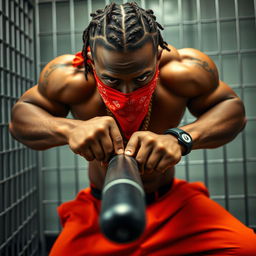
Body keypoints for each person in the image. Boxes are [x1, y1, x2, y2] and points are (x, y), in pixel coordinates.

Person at [9, 2, 256, 255]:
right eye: (112, 79)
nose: (127, 92)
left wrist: (181, 138)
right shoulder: (70, 77)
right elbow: (19, 121)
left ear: (158, 57)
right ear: (92, 62)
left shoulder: (183, 70)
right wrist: (70, 129)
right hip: (100, 206)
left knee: (247, 248)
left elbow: (232, 110)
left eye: (141, 78)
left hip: (172, 205)